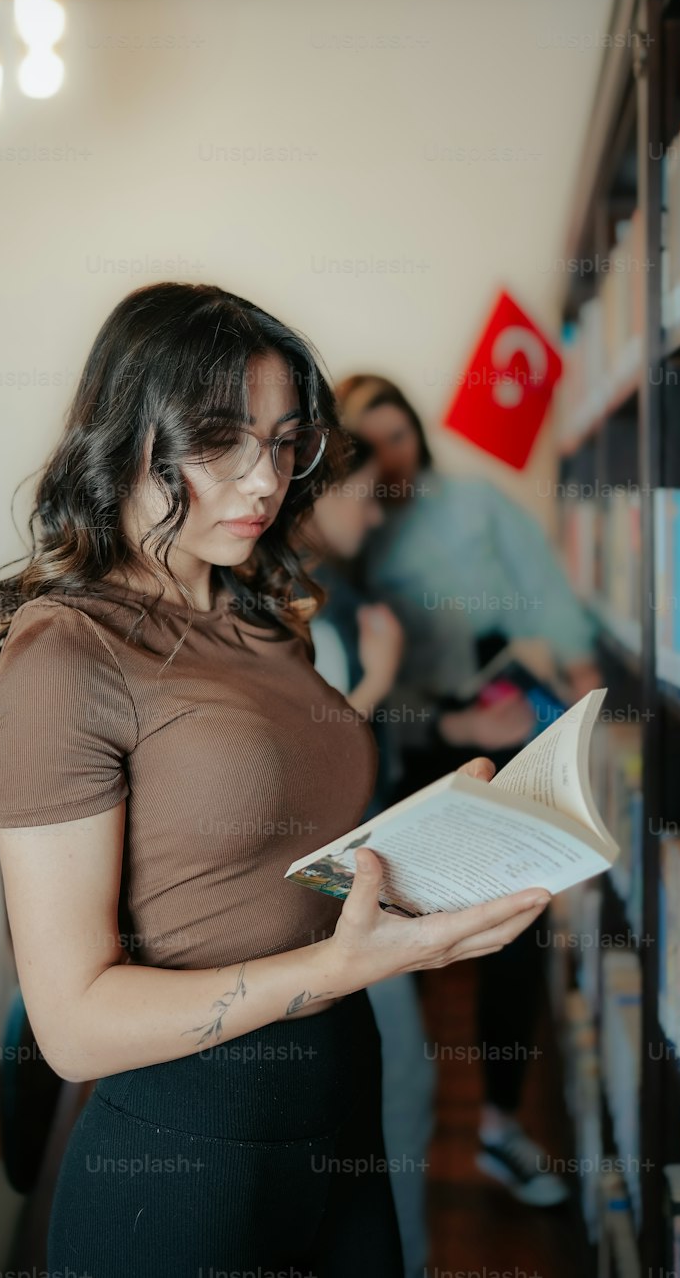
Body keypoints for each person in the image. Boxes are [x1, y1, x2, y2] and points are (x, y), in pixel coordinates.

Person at [0, 283, 554, 1278]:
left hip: (339, 1111)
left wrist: (432, 849)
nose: (263, 481)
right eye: (219, 441)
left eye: (285, 442)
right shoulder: (66, 656)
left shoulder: (260, 618)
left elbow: (275, 864)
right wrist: (333, 972)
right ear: (122, 435)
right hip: (183, 1157)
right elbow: (70, 1026)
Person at [336, 373, 602, 1207]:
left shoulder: (480, 504)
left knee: (520, 920)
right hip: (415, 745)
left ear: (418, 431)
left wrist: (577, 683)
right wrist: (447, 727)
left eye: (399, 435)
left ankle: (498, 1122)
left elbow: (550, 598)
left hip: (506, 725)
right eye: (368, 444)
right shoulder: (355, 538)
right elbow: (370, 699)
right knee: (399, 929)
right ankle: (390, 1116)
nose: (390, 459)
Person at [296, 429, 435, 1278]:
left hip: (345, 879)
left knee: (390, 1093)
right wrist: (378, 682)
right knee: (401, 1092)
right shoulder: (304, 606)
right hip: (328, 892)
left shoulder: (336, 594)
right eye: (358, 493)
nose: (372, 514)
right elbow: (311, 764)